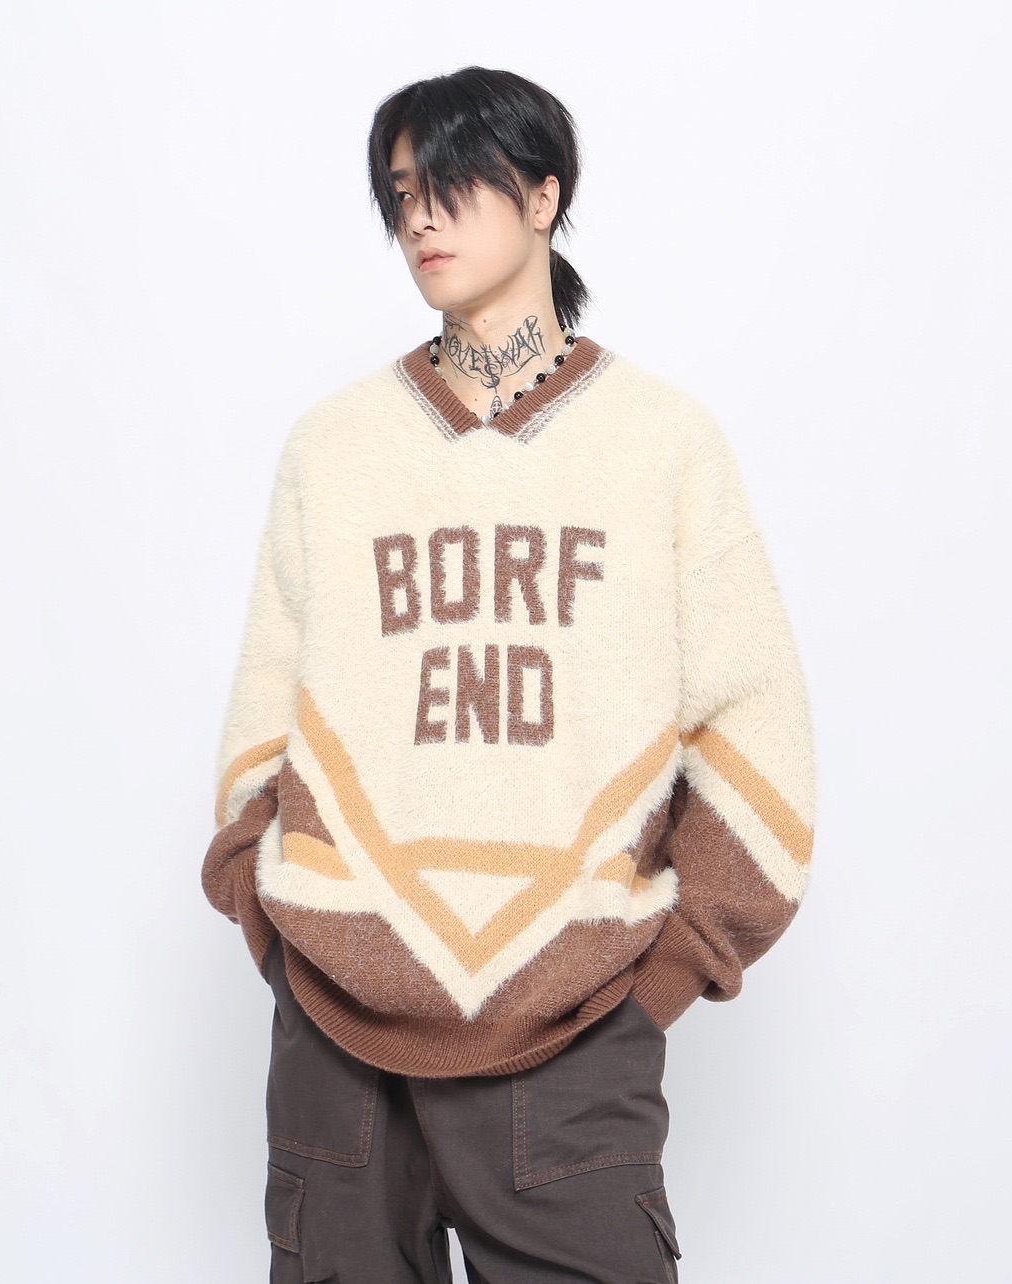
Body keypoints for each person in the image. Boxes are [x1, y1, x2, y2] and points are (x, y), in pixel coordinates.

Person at [201, 65, 819, 1283]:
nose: (420, 218)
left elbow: (759, 726)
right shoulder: (334, 448)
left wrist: (657, 979)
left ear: (544, 198)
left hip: (573, 1033)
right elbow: (261, 721)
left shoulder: (663, 445)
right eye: (400, 194)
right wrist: (274, 924)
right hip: (334, 1040)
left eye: (452, 184)